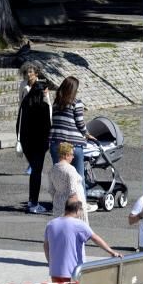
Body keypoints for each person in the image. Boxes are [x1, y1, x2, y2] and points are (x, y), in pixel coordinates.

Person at [43, 199, 121, 284]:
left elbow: (46, 246)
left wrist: (50, 262)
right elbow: (96, 239)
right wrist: (111, 252)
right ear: (78, 210)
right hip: (74, 271)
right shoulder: (80, 225)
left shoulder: (51, 224)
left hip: (56, 271)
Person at [49, 76, 95, 205]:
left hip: (55, 143)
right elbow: (80, 123)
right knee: (78, 177)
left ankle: (61, 204)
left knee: (60, 176)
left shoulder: (56, 103)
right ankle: (80, 204)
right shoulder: (76, 103)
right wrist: (87, 134)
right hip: (73, 144)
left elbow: (55, 120)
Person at [16, 62, 52, 214]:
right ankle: (33, 202)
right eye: (27, 72)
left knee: (35, 169)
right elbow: (47, 111)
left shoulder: (40, 90)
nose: (28, 74)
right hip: (38, 136)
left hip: (27, 133)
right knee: (37, 170)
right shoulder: (25, 88)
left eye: (31, 72)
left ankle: (33, 201)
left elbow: (46, 105)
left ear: (36, 73)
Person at [48, 142, 88, 222]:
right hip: (72, 207)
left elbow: (51, 190)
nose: (73, 157)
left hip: (58, 204)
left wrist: (57, 200)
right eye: (71, 154)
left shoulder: (52, 170)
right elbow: (73, 191)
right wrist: (78, 209)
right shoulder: (70, 170)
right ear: (66, 155)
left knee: (60, 230)